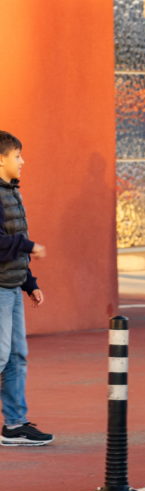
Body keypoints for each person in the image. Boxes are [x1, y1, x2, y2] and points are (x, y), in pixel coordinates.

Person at [0, 131, 53, 446]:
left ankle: (15, 424)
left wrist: (29, 283)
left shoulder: (12, 192)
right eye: (17, 155)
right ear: (1, 159)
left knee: (16, 356)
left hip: (11, 287)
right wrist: (28, 245)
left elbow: (13, 242)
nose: (23, 161)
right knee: (1, 356)